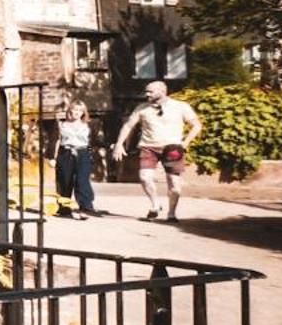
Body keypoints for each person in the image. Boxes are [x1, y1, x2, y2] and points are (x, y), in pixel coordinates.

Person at [112, 80, 204, 222]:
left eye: (150, 91)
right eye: (146, 91)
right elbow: (128, 126)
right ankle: (155, 205)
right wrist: (119, 144)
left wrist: (185, 143)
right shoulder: (142, 108)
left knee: (174, 183)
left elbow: (196, 125)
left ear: (162, 91)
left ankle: (171, 213)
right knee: (144, 177)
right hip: (149, 147)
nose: (147, 94)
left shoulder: (180, 106)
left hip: (172, 148)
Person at [54, 100, 100, 218]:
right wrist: (54, 157)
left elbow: (93, 141)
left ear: (83, 112)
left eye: (80, 110)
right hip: (66, 152)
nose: (77, 112)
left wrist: (91, 154)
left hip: (82, 152)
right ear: (70, 110)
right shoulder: (62, 124)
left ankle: (85, 207)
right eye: (75, 109)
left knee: (82, 180)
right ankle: (64, 208)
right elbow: (57, 140)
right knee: (64, 181)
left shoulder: (89, 125)